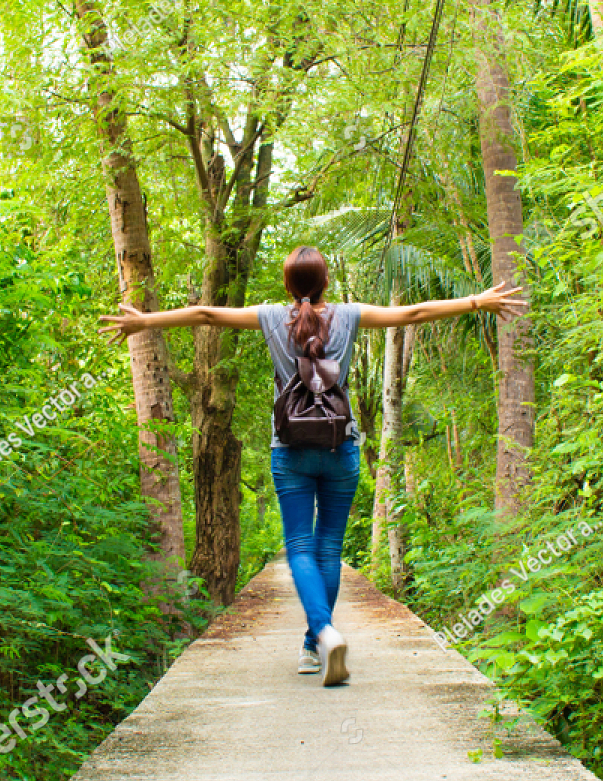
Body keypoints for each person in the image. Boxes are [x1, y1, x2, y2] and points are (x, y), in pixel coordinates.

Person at [101, 245, 524, 686]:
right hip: (341, 447)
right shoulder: (349, 315)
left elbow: (206, 315)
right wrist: (479, 302)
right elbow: (413, 313)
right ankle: (312, 643)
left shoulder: (270, 318)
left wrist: (143, 322)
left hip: (290, 449)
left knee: (299, 547)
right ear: (325, 283)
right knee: (329, 550)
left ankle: (321, 634)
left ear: (289, 285)